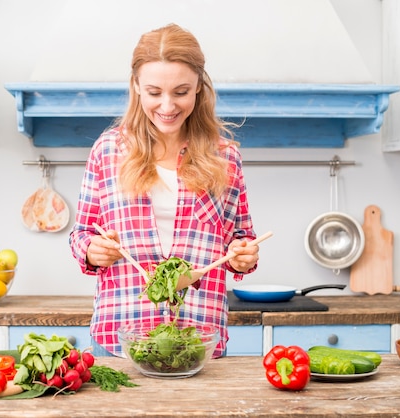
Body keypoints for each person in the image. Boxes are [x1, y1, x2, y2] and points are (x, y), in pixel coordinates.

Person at [68, 23, 260, 358]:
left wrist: (243, 256)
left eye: (181, 92)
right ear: (136, 87)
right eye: (155, 92)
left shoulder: (225, 156)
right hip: (121, 336)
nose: (168, 106)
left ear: (199, 87)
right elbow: (82, 232)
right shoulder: (109, 151)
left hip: (199, 340)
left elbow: (240, 238)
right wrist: (90, 249)